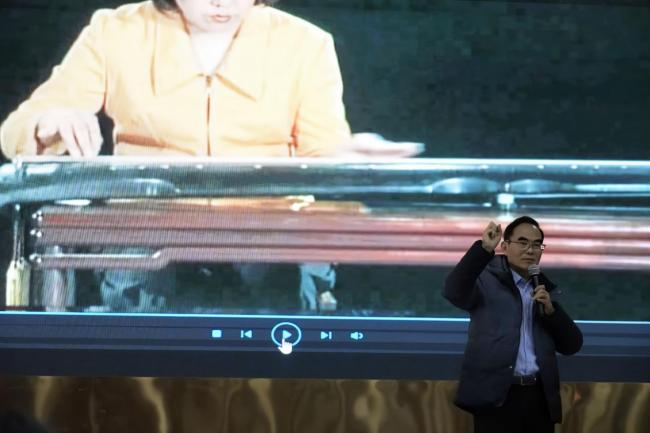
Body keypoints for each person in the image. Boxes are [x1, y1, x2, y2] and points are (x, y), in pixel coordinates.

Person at [1, 0, 422, 311]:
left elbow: (322, 148)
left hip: (270, 243)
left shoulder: (306, 43)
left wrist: (347, 155)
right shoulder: (116, 31)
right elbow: (16, 131)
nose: (223, 3)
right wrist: (49, 122)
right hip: (144, 241)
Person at [443, 216, 583, 433]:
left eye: (536, 245)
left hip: (539, 397)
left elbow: (572, 345)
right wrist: (484, 248)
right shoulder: (485, 281)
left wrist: (552, 313)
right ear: (505, 246)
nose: (530, 250)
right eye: (523, 242)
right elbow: (452, 291)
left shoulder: (544, 289)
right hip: (497, 397)